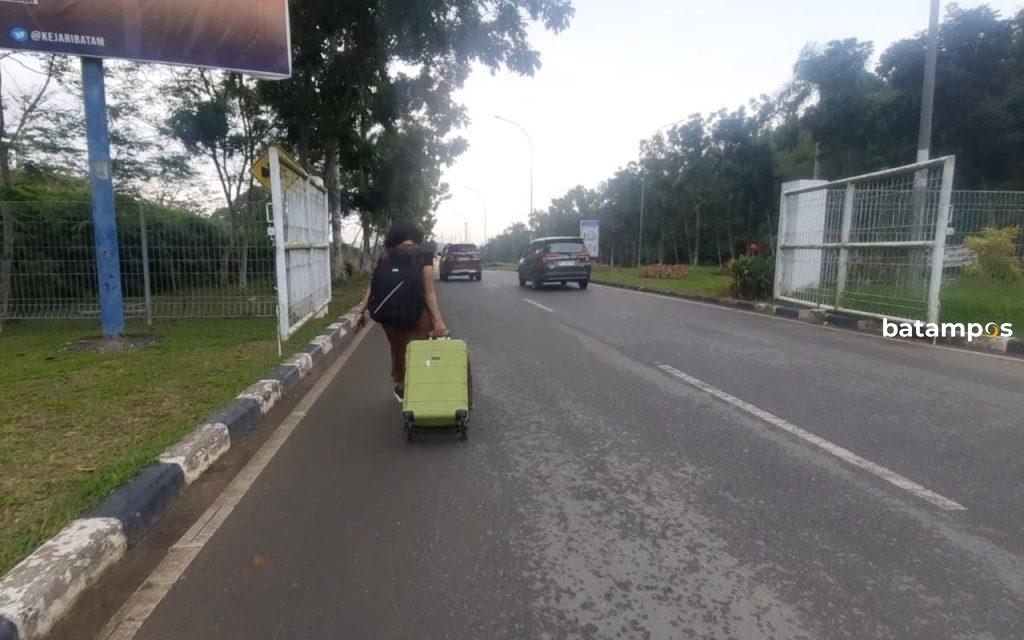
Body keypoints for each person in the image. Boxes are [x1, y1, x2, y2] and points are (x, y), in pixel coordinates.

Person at [358, 220, 448, 403]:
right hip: (417, 315)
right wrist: (438, 319)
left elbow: (373, 285)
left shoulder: (385, 255)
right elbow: (428, 290)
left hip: (389, 315)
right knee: (417, 350)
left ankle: (400, 384)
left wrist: (362, 310)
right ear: (416, 236)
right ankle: (419, 387)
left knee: (397, 349)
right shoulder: (423, 255)